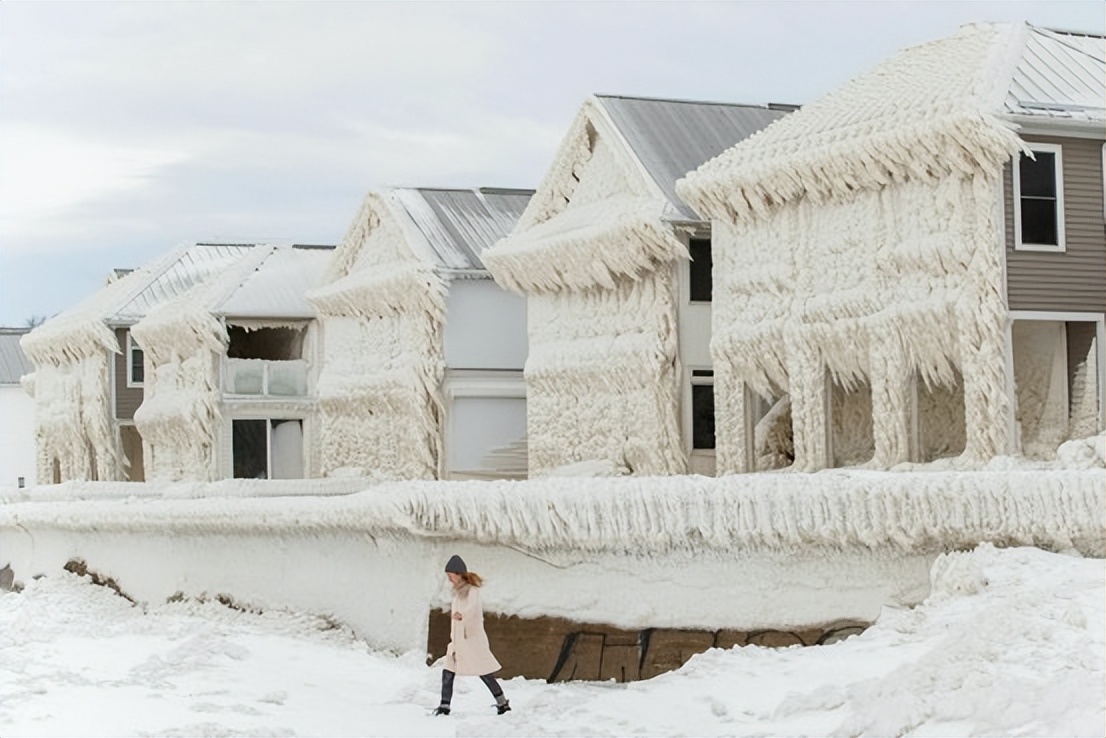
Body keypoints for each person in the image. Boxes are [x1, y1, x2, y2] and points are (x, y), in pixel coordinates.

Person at [433, 554, 511, 716]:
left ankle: (502, 703)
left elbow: (474, 609)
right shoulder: (457, 593)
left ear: (458, 573)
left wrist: (463, 615)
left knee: (484, 672)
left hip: (471, 640)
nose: (449, 579)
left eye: (450, 576)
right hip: (457, 641)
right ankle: (444, 706)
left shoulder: (472, 591)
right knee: (448, 671)